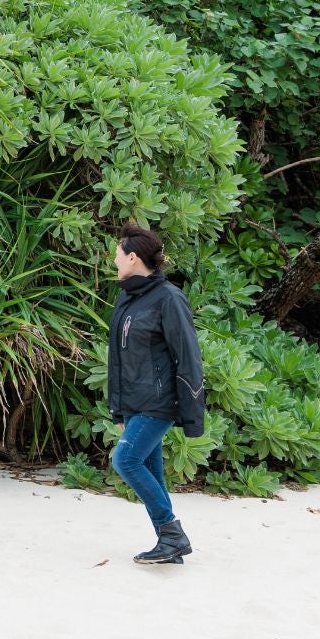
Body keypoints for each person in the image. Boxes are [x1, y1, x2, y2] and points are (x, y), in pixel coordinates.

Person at [106, 223, 205, 565]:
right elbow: (118, 358)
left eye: (118, 255)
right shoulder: (128, 298)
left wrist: (192, 412)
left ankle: (172, 534)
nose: (114, 261)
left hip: (159, 402)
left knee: (125, 460)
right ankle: (169, 545)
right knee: (151, 470)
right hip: (134, 401)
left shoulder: (169, 299)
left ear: (132, 257)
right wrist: (118, 410)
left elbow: (188, 356)